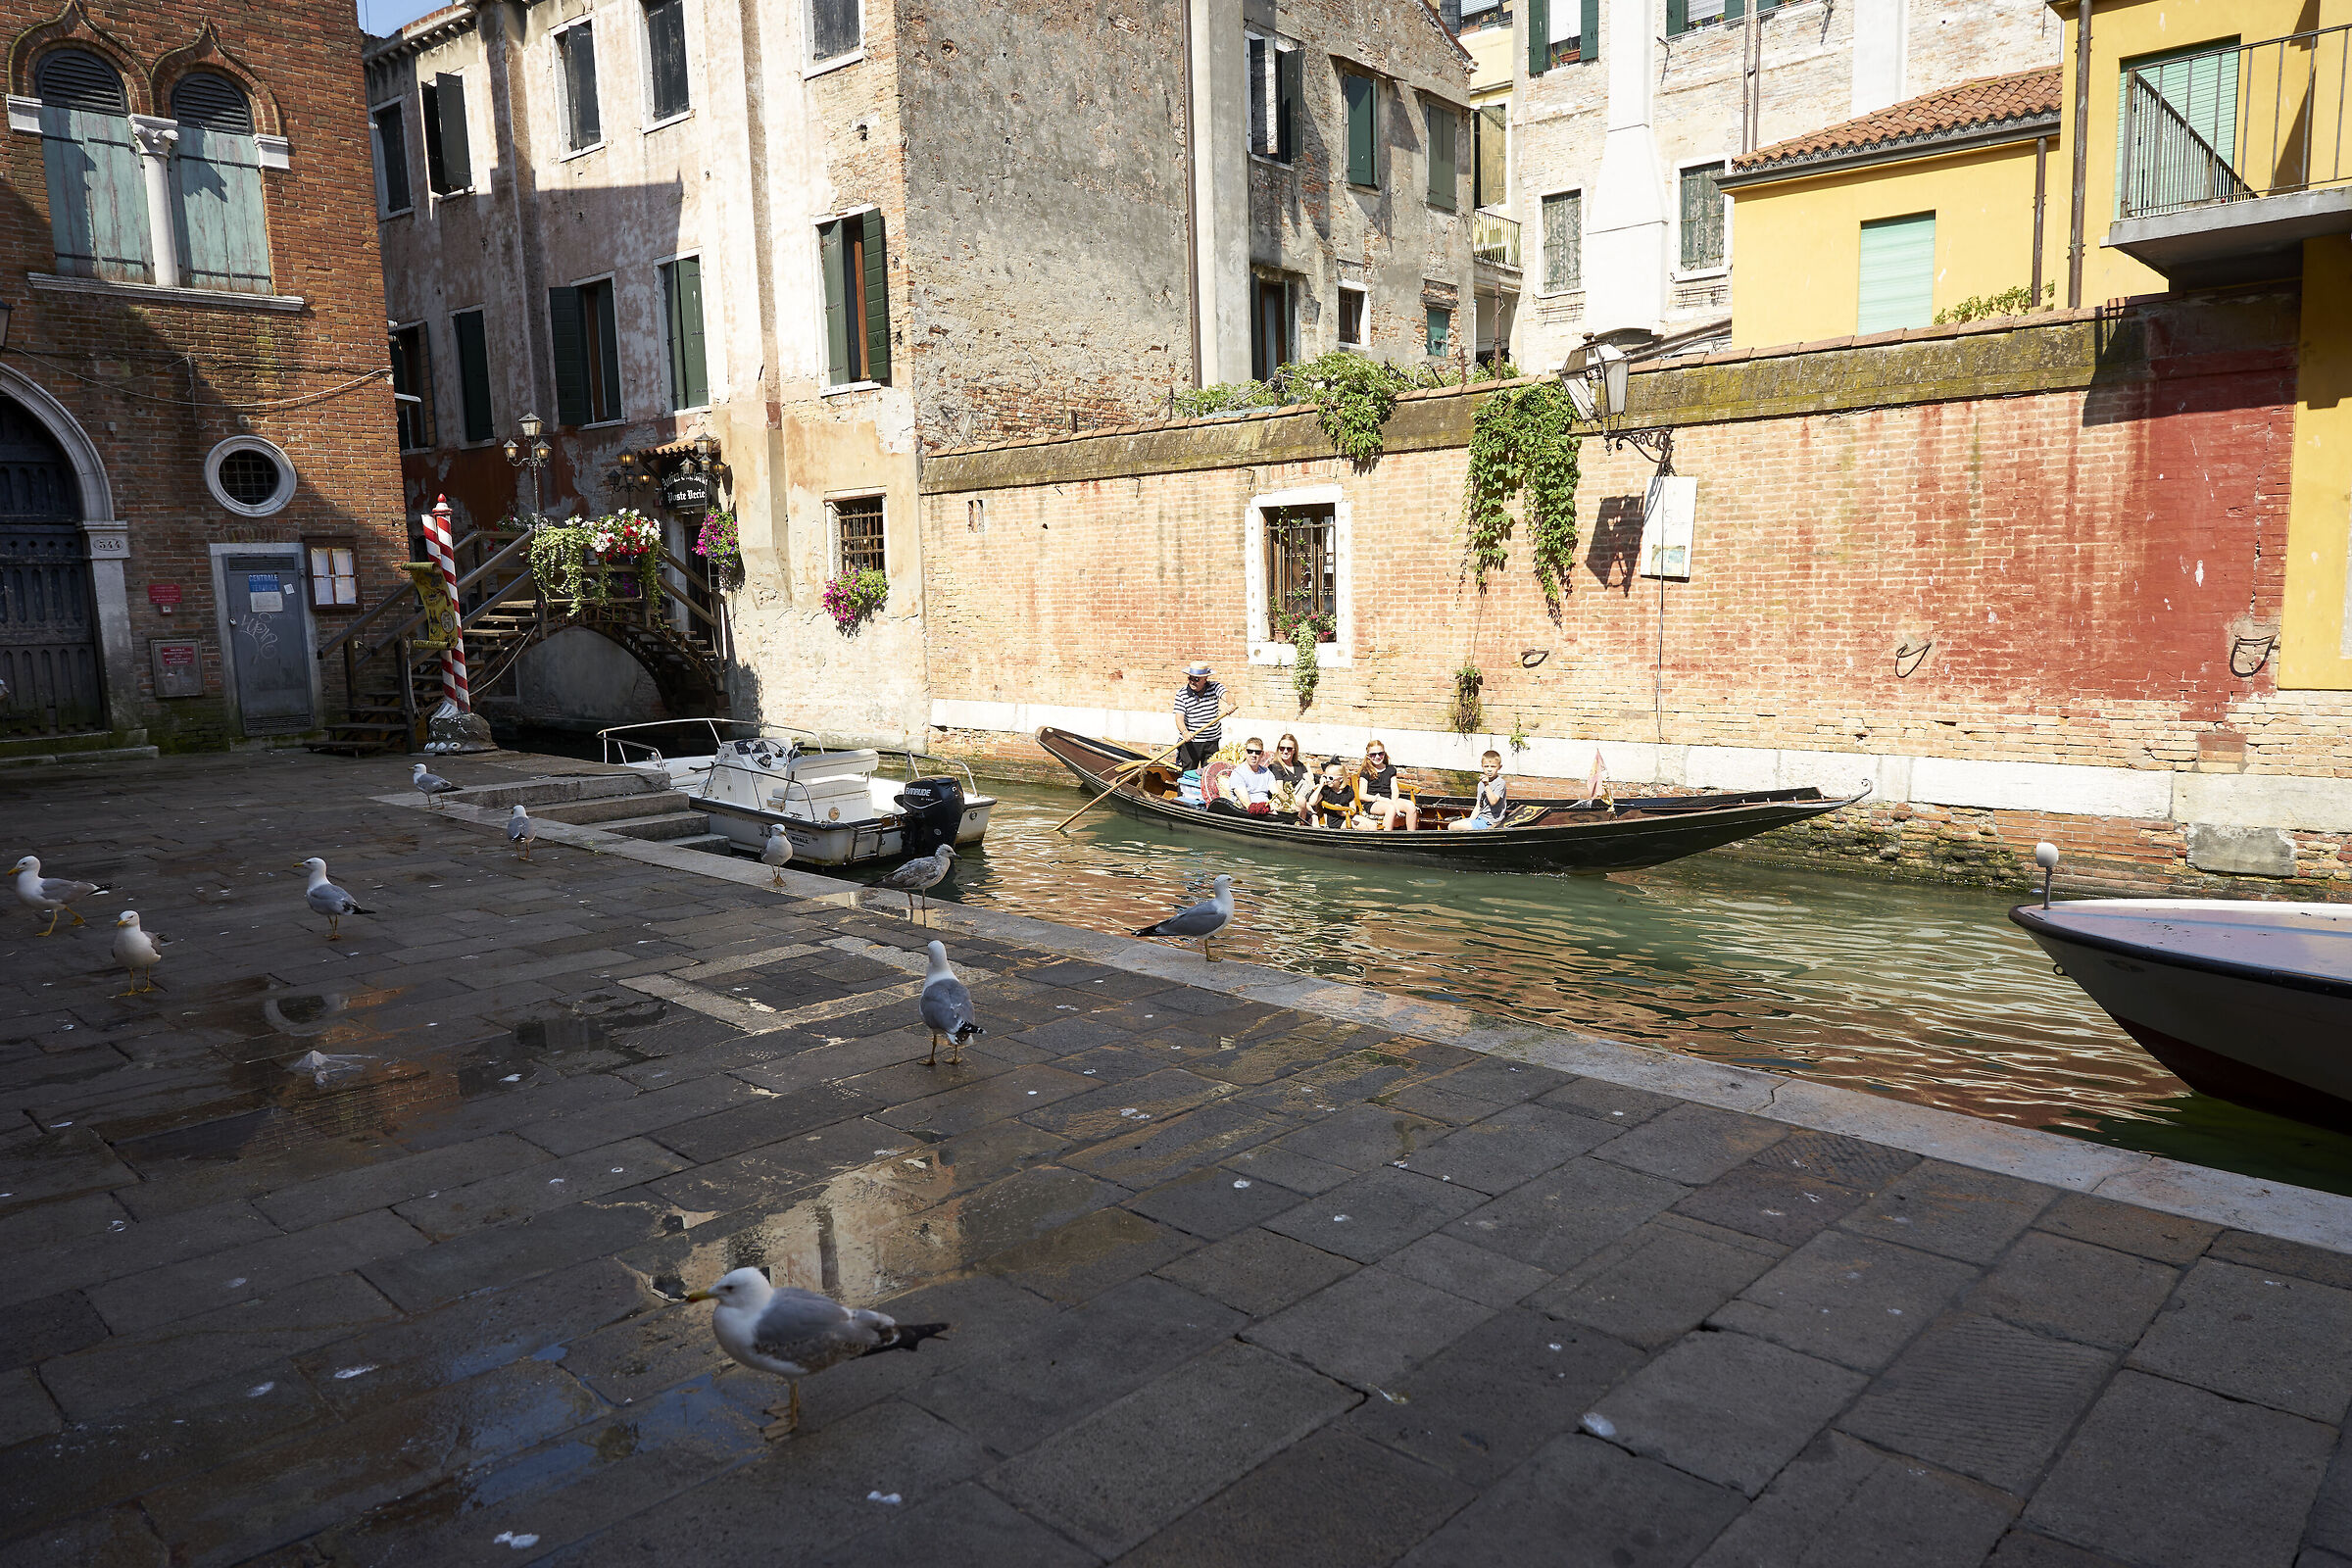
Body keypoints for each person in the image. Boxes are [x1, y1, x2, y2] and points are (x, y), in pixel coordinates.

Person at [1355, 739, 1420, 831]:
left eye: (1380, 753)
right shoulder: (1366, 772)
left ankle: (1411, 837)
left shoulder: (1390, 770)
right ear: (1368, 756)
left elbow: (1394, 789)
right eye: (1373, 754)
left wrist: (1393, 801)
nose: (1377, 757)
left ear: (1384, 754)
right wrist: (1380, 799)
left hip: (1390, 799)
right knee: (1390, 808)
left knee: (1410, 806)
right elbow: (1362, 795)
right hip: (1374, 802)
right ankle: (1386, 837)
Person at [1172, 662, 1227, 769]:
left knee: (1210, 774)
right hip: (1191, 743)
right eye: (1190, 678)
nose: (1192, 682)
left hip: (1212, 741)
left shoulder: (1215, 687)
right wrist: (1185, 732)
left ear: (1205, 679)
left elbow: (1227, 695)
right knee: (1188, 773)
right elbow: (1179, 718)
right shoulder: (1182, 694)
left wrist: (1231, 704)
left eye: (1196, 679)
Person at [1448, 749, 1510, 830]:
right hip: (1481, 819)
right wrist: (1470, 821)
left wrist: (1487, 785)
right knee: (1453, 825)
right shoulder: (1481, 784)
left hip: (1491, 822)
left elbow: (1493, 801)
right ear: (1482, 767)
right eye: (1486, 766)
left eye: (1493, 766)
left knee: (1453, 826)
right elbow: (1478, 806)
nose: (1489, 769)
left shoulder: (1500, 783)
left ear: (1499, 767)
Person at [1301, 756, 1356, 828]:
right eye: (1325, 777)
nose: (1327, 780)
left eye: (1330, 778)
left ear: (1340, 779)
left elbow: (1353, 809)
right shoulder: (1326, 790)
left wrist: (1343, 812)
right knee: (1361, 826)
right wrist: (1320, 785)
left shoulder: (1348, 790)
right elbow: (1312, 802)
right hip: (1332, 820)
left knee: (1370, 824)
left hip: (1345, 816)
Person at [1226, 739, 1278, 814]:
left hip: (1268, 811)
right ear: (1245, 752)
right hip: (1248, 814)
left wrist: (1278, 805)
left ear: (1262, 754)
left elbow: (1276, 794)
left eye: (1257, 752)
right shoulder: (1237, 774)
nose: (1253, 755)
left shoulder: (1267, 772)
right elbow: (1248, 805)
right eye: (1250, 751)